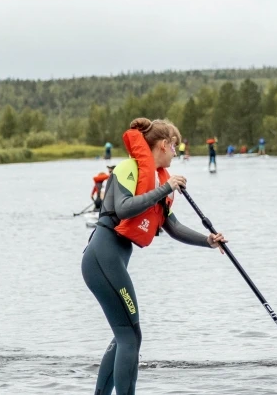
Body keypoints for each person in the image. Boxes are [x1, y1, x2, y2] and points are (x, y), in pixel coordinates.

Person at [81, 118, 227, 394]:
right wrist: (166, 188)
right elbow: (123, 209)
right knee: (130, 337)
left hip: (111, 260)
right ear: (164, 144)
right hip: (103, 257)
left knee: (126, 335)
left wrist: (208, 241)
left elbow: (172, 226)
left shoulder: (158, 179)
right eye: (176, 146)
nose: (177, 152)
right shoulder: (129, 169)